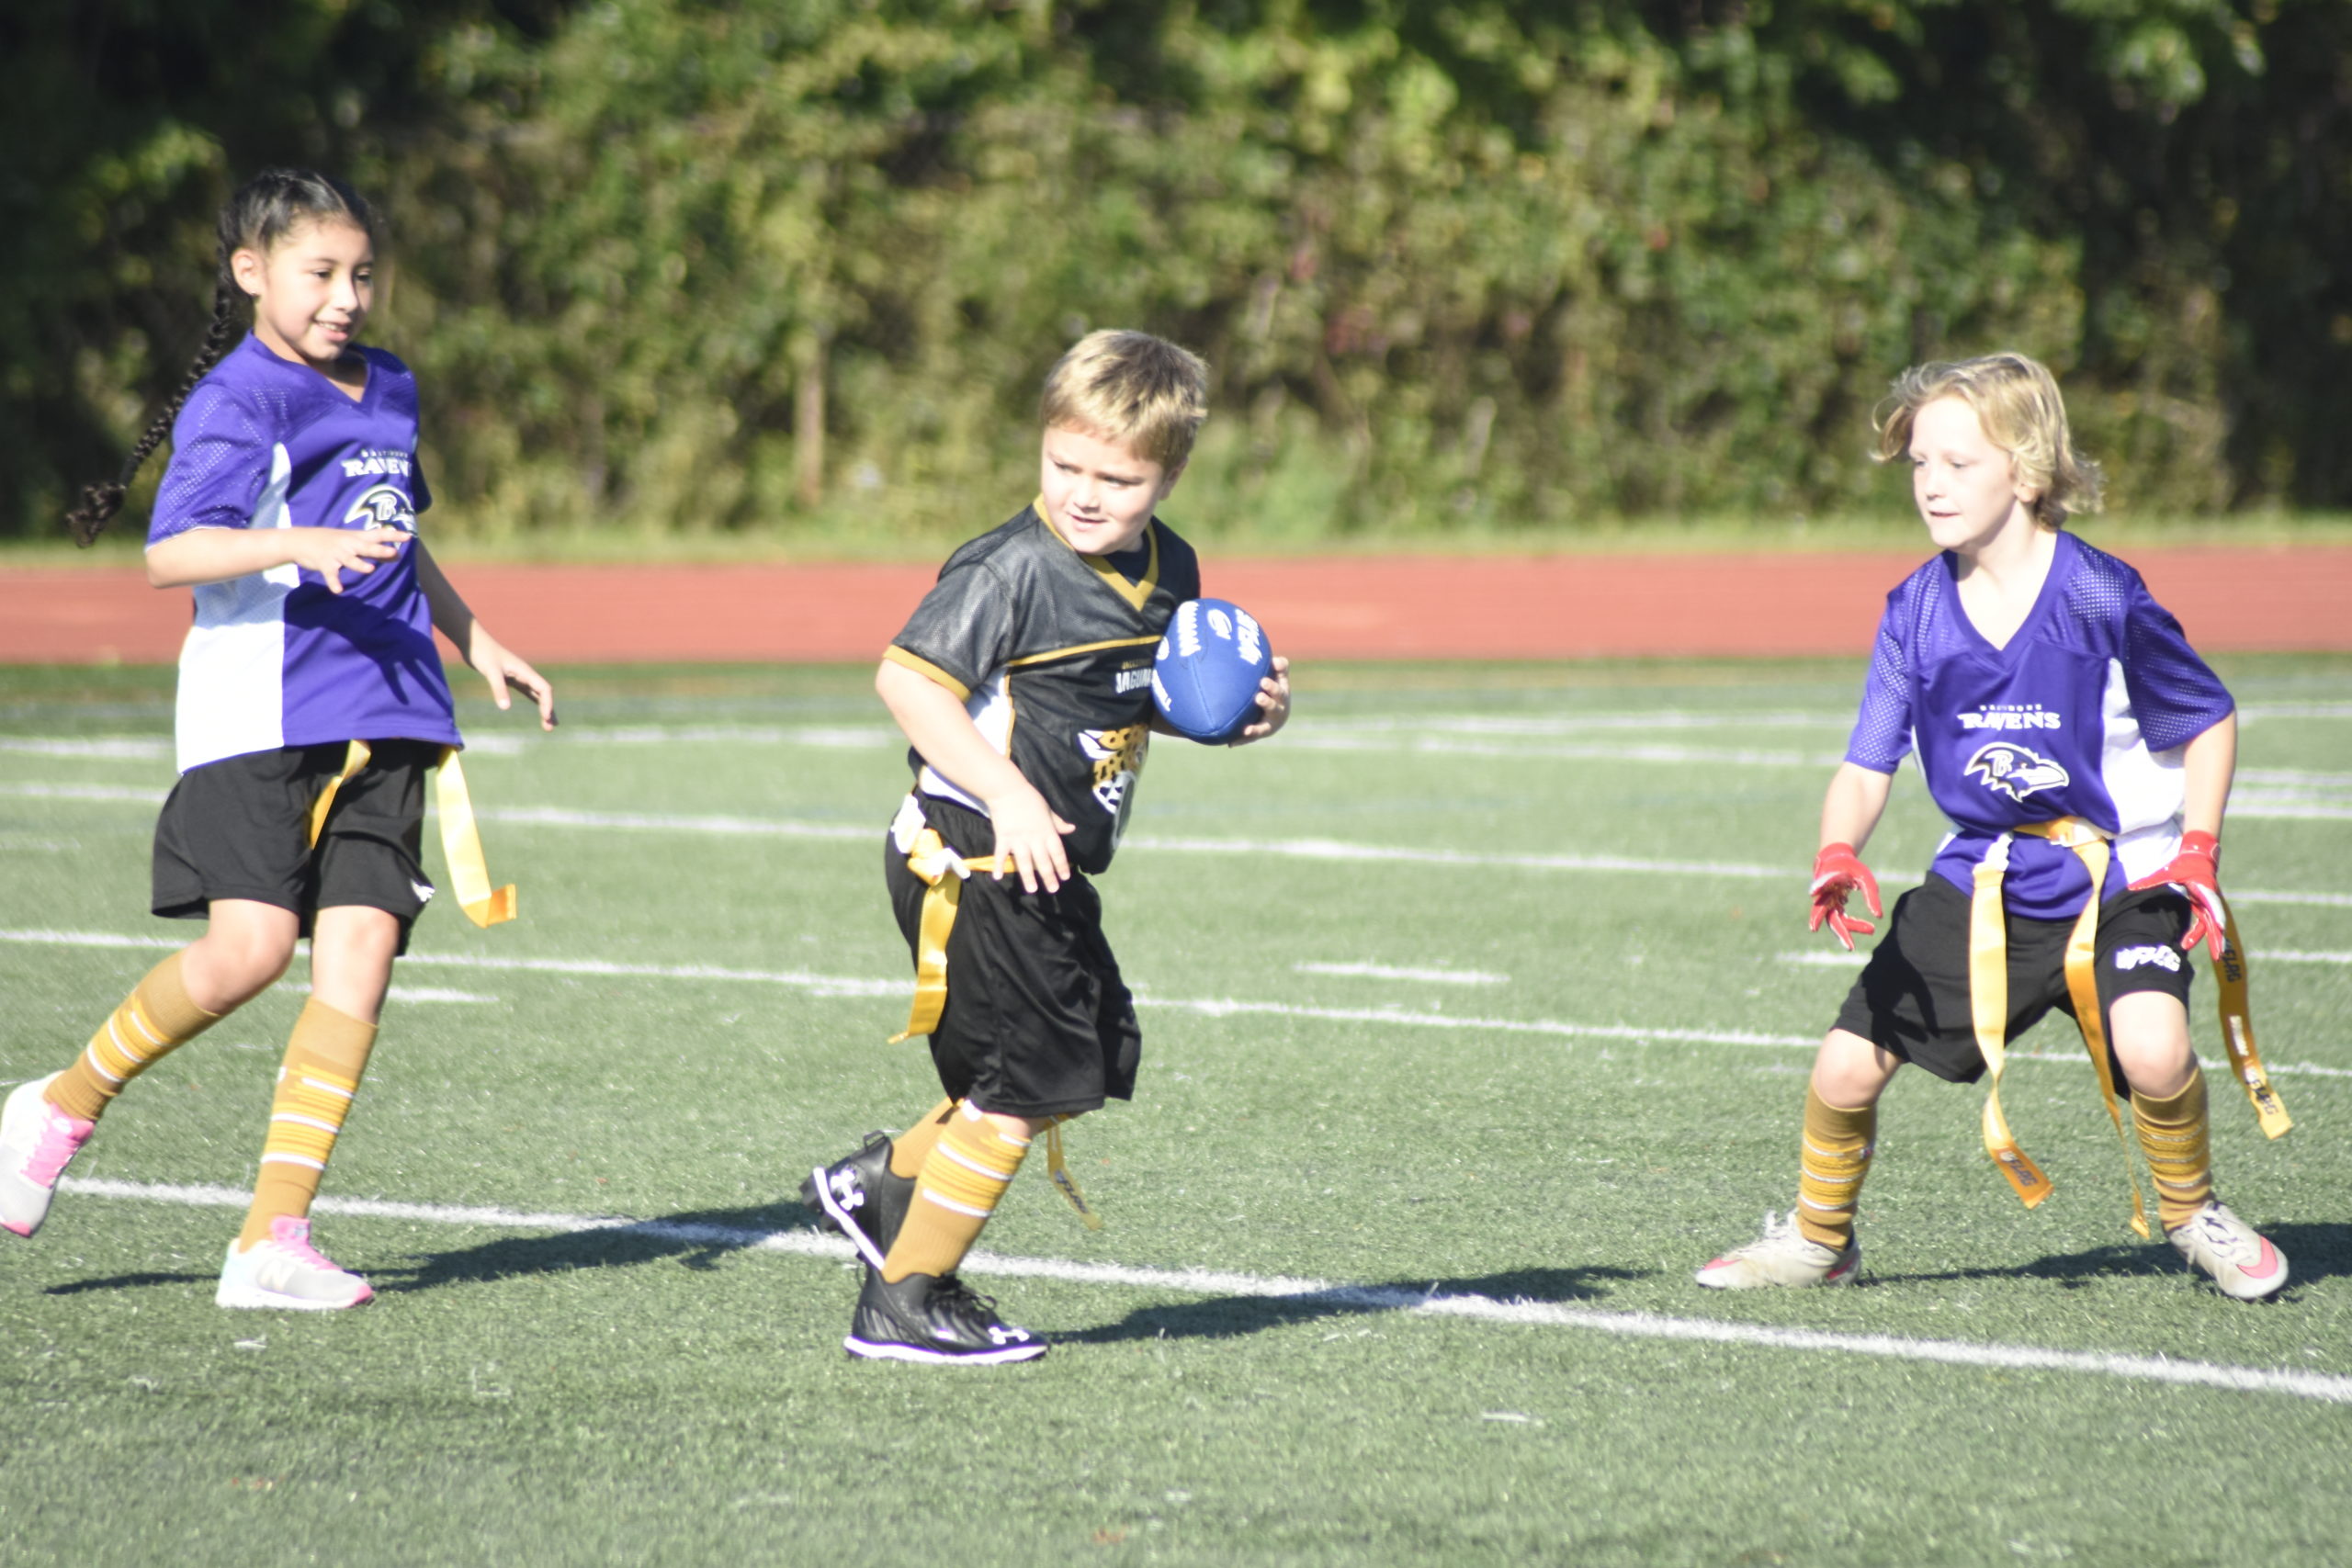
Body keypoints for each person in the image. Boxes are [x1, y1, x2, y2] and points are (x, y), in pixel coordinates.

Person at [0, 168, 555, 1310]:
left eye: (360, 274)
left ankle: (270, 1239)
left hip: (392, 707)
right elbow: (171, 552)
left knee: (362, 956)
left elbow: (399, 538)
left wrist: (474, 637)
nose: (346, 296)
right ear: (252, 274)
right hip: (264, 714)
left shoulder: (389, 386)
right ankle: (59, 1106)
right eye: (320, 273)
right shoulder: (240, 399)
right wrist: (295, 544)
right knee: (249, 952)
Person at [1696, 351, 2290, 1301]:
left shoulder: (2101, 594)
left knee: (2155, 1051)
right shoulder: (1916, 610)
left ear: (2026, 470)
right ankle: (1818, 1241)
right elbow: (1865, 762)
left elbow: (2207, 719)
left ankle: (2190, 1211)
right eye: (1917, 464)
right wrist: (1837, 850)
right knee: (1843, 1070)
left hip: (2122, 876)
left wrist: (2198, 852)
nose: (1930, 484)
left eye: (1956, 464)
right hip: (1984, 884)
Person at [801, 329, 1291, 1362]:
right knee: (1022, 1090)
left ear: (1168, 476)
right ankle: (903, 1301)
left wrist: (1235, 712)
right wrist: (1012, 794)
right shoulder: (1010, 567)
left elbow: (1126, 694)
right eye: (1064, 464)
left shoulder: (1173, 569)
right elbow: (908, 684)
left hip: (1047, 861)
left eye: (1116, 478)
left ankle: (879, 1183)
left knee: (1083, 1055)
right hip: (974, 851)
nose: (1082, 493)